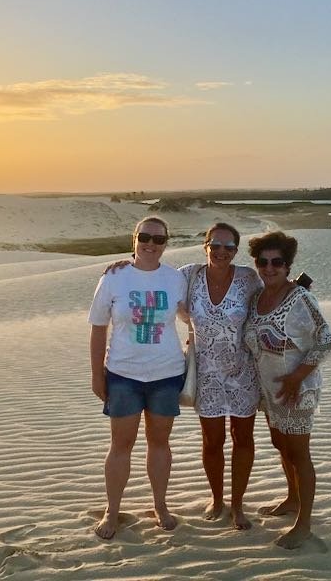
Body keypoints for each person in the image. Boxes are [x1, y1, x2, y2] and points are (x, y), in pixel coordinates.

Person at [106, 222, 262, 530]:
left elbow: (268, 304)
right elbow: (153, 275)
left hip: (244, 372)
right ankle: (217, 500)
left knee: (243, 439)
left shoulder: (248, 278)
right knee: (211, 441)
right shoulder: (188, 275)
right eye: (215, 245)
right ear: (204, 246)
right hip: (205, 372)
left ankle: (239, 506)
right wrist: (127, 263)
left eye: (229, 247)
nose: (221, 252)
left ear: (236, 250)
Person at [88, 216, 187, 540]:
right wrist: (96, 375)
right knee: (121, 445)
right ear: (134, 239)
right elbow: (98, 327)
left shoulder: (175, 279)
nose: (151, 244)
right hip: (123, 374)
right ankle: (112, 510)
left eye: (159, 239)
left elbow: (192, 316)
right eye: (145, 236)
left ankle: (160, 505)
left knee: (159, 443)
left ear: (166, 244)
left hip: (166, 373)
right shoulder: (114, 277)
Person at [244, 231, 331, 549]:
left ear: (287, 264)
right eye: (262, 262)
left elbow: (326, 339)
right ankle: (292, 499)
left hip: (298, 389)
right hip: (271, 391)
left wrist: (297, 376)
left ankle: (304, 525)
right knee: (281, 446)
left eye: (277, 262)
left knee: (299, 454)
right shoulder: (257, 298)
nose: (269, 268)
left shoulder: (300, 298)